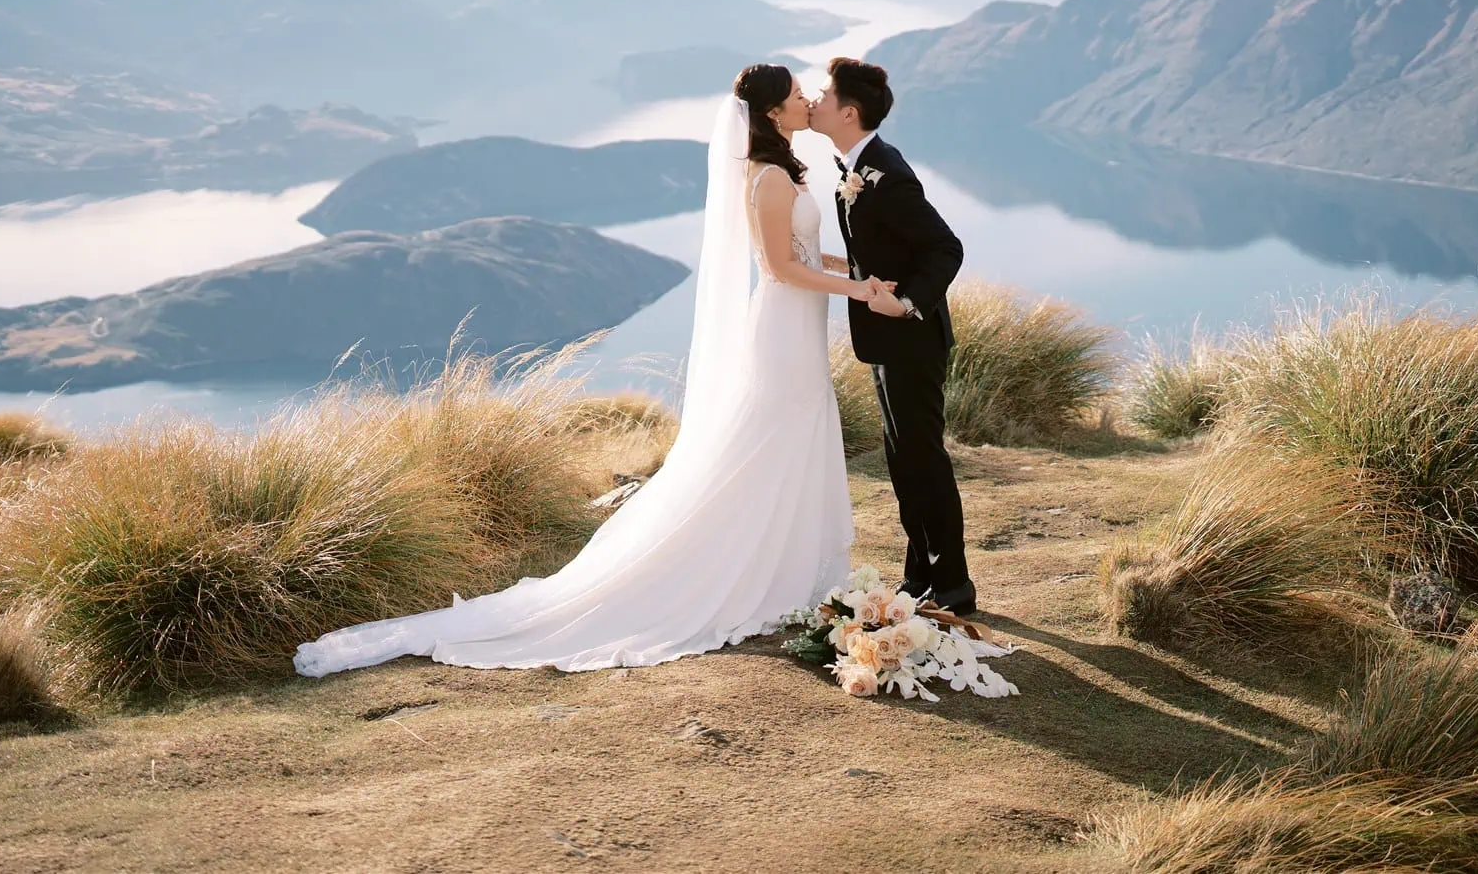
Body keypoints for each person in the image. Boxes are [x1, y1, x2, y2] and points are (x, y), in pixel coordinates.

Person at [292, 64, 884, 677]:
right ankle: (748, 571)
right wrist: (858, 290)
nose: (805, 100)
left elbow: (806, 252)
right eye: (794, 97)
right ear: (770, 115)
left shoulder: (783, 170)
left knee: (793, 437)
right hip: (782, 330)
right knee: (770, 440)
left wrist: (857, 268)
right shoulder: (764, 180)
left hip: (801, 326)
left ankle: (786, 569)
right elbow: (781, 268)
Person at [809, 57, 973, 613]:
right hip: (887, 342)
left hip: (912, 339)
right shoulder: (856, 166)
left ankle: (953, 584)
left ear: (848, 112)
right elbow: (870, 254)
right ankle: (921, 576)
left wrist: (905, 305)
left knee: (922, 457)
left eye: (823, 94)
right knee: (904, 459)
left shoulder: (886, 174)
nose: (814, 100)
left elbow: (946, 248)